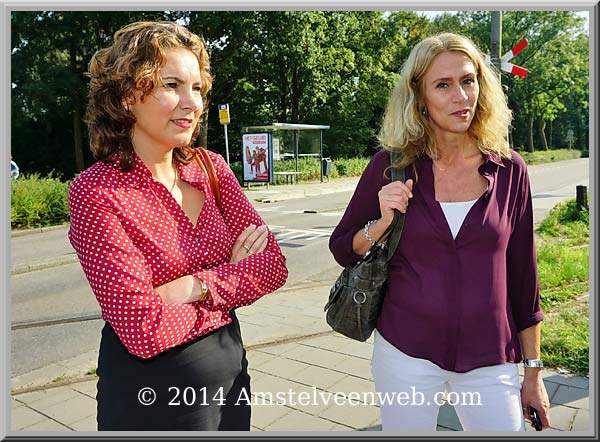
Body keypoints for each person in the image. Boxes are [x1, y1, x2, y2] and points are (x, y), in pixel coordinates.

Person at [68, 21, 288, 431]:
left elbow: (273, 266)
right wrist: (232, 285)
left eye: (198, 89)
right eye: (172, 85)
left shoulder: (210, 168)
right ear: (127, 95)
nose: (192, 103)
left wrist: (192, 287)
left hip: (233, 385)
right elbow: (142, 328)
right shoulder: (96, 191)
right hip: (152, 400)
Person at [329, 33, 550, 432]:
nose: (460, 96)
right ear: (419, 96)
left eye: (468, 80)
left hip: (490, 358)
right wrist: (380, 224)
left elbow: (523, 278)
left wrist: (533, 373)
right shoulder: (389, 166)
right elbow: (343, 248)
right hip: (405, 354)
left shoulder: (510, 169)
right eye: (443, 85)